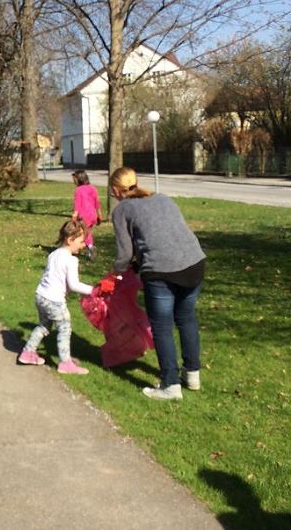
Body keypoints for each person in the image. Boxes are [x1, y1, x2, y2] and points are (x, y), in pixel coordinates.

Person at [109, 166, 205, 400]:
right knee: (186, 319)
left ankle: (170, 385)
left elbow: (124, 253)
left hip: (161, 269)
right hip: (194, 262)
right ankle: (192, 375)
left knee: (162, 326)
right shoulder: (162, 197)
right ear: (137, 182)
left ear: (115, 190)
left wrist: (115, 274)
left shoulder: (122, 210)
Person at [17, 220, 93, 375]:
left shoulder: (53, 254)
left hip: (41, 296)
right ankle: (66, 363)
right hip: (54, 301)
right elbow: (74, 285)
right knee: (64, 329)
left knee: (44, 326)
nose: (83, 245)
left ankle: (28, 353)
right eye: (81, 241)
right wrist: (94, 290)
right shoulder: (72, 260)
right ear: (70, 240)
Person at [71, 169, 102, 259]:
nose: (73, 181)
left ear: (79, 179)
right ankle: (89, 248)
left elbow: (77, 204)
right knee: (87, 232)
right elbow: (97, 202)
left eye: (74, 179)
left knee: (81, 233)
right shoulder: (93, 188)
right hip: (92, 215)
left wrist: (74, 215)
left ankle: (89, 247)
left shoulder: (78, 190)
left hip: (83, 216)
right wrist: (99, 215)